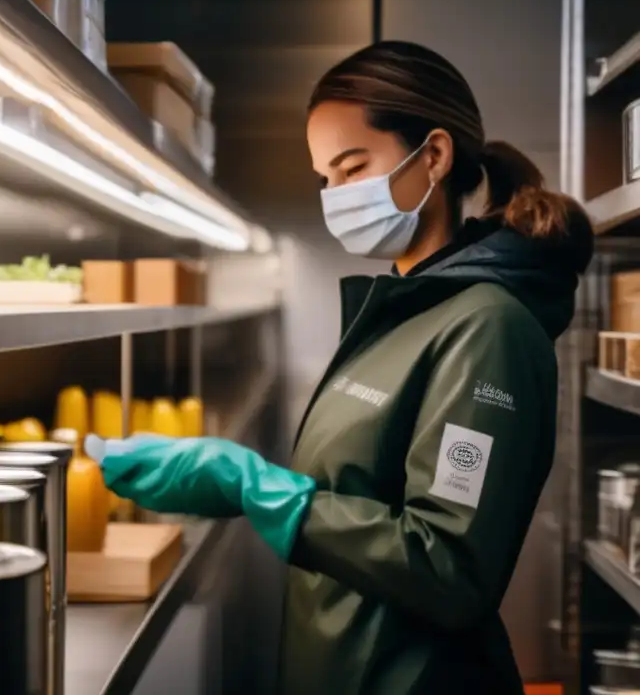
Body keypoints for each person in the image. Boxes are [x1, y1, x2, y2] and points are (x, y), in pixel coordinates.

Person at [85, 40, 594, 695]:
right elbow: (355, 494)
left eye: (352, 168)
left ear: (433, 156)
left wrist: (260, 489)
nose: (335, 196)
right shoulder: (404, 311)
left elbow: (448, 567)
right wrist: (235, 487)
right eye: (325, 178)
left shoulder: (489, 329)